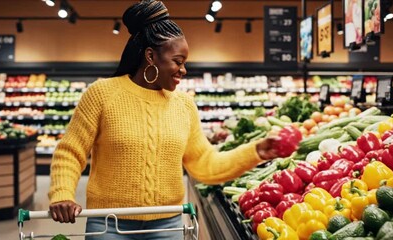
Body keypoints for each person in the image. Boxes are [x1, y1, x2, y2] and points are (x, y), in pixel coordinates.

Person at [48, 0, 279, 239]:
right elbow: (70, 151)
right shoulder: (102, 94)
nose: (183, 70)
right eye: (177, 61)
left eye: (184, 63)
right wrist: (62, 194)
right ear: (151, 56)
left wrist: (256, 151)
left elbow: (205, 164)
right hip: (109, 223)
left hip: (168, 225)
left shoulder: (184, 105)